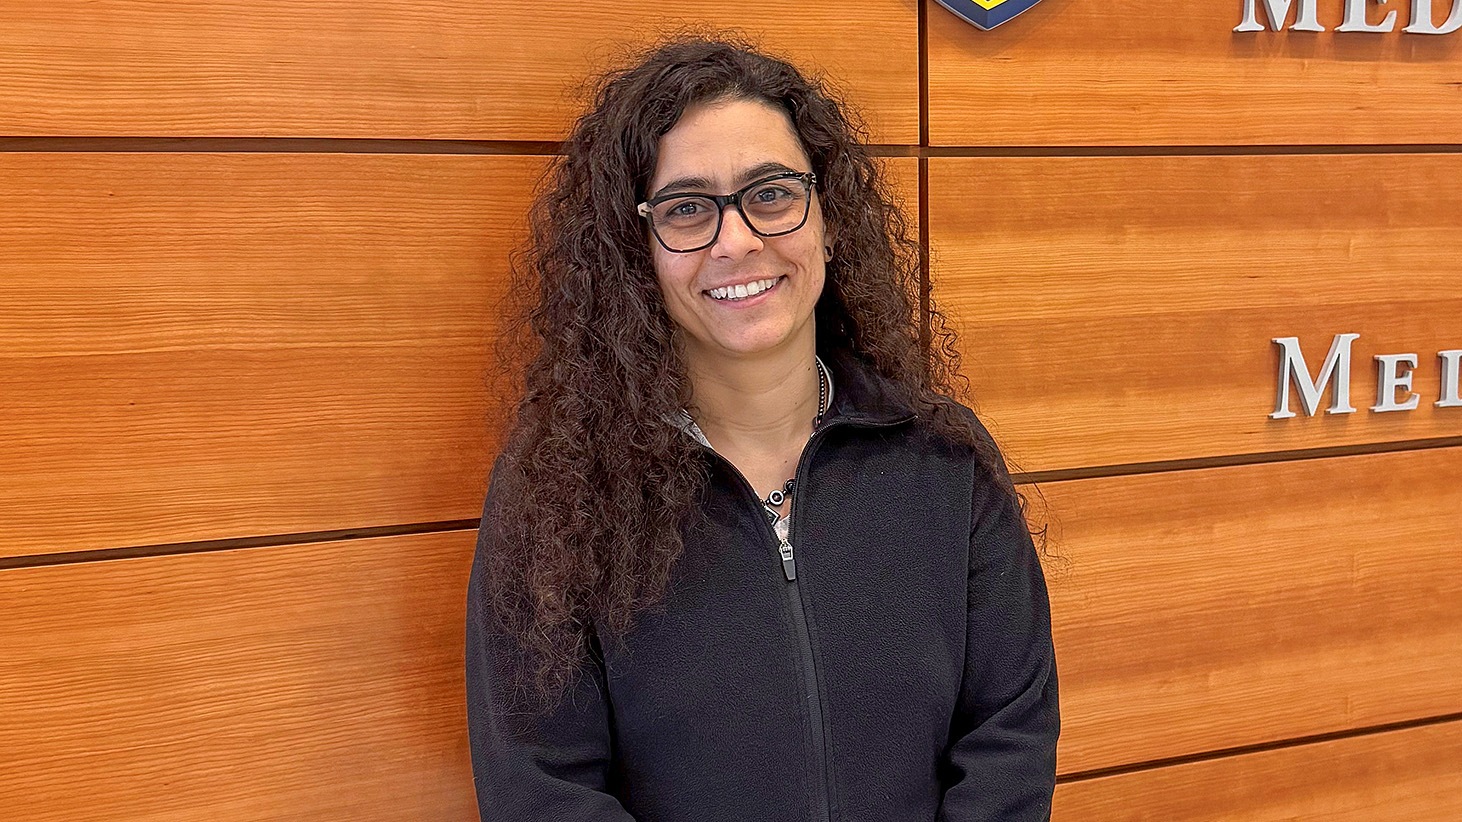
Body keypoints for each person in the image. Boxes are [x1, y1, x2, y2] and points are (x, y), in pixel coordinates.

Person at [465, 34, 1059, 822]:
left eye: (771, 193)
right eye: (686, 209)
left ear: (828, 218)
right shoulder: (559, 493)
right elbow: (541, 788)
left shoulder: (942, 459)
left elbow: (1009, 741)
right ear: (635, 252)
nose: (736, 240)